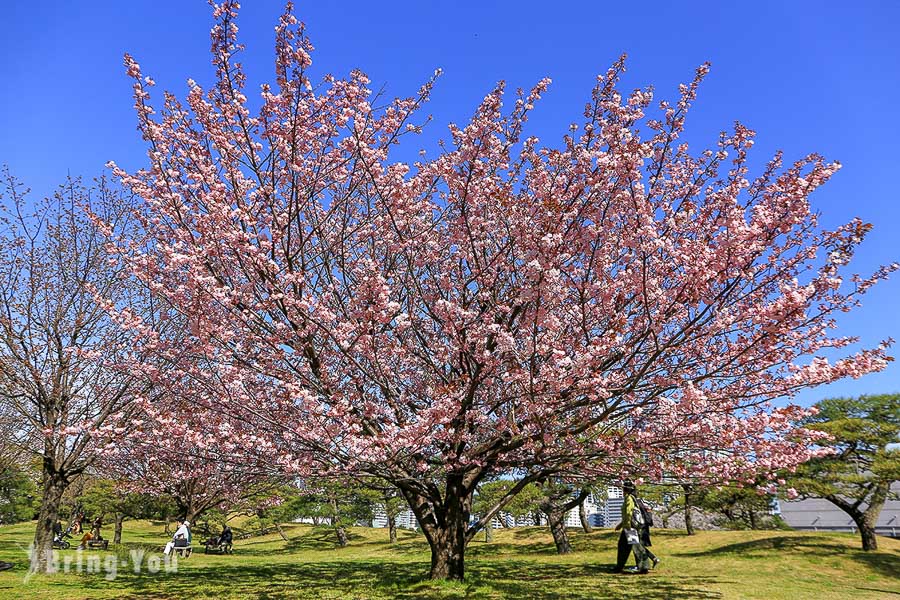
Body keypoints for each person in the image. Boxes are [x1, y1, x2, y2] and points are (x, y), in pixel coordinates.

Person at [613, 480, 652, 574]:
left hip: (630, 527)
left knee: (635, 547)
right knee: (626, 546)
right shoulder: (634, 498)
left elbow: (628, 513)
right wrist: (620, 525)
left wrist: (626, 527)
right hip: (630, 527)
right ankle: (620, 567)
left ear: (625, 490)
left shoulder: (629, 498)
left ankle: (643, 567)